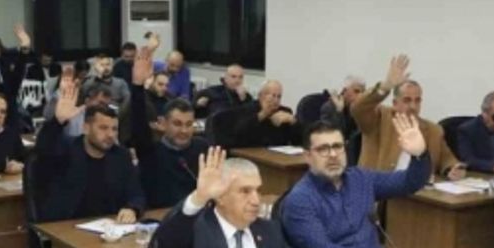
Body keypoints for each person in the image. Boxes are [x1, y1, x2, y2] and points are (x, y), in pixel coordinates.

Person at [154, 147, 341, 248]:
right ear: (220, 196)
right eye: (245, 191)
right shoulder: (197, 231)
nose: (256, 200)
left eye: (257, 190)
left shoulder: (268, 231)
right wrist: (199, 197)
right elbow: (166, 243)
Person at [281, 120, 430, 248]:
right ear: (308, 156)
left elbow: (409, 182)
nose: (333, 155)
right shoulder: (300, 199)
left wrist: (420, 155)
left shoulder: (361, 178)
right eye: (323, 149)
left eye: (337, 146)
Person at [33, 78, 145, 224]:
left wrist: (132, 208)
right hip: (67, 227)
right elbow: (44, 149)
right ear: (86, 128)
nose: (110, 135)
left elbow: (136, 194)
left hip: (109, 228)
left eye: (114, 129)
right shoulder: (66, 150)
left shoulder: (121, 156)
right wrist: (57, 122)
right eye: (103, 128)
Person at [352, 54, 465, 181]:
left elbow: (447, 159)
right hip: (377, 188)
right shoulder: (379, 118)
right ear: (395, 103)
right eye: (407, 100)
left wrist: (453, 168)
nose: (413, 106)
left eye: (417, 100)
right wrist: (385, 86)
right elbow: (358, 108)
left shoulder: (434, 130)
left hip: (417, 190)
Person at [128, 47, 208, 208]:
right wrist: (137, 85)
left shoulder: (202, 148)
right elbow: (138, 121)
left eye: (189, 124)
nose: (184, 131)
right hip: (160, 216)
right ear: (163, 123)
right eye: (177, 124)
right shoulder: (150, 150)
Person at [216, 80, 301, 148]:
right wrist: (263, 114)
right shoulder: (248, 109)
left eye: (279, 97)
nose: (276, 100)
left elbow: (298, 141)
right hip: (251, 154)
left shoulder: (284, 111)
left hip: (278, 157)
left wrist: (293, 121)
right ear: (261, 96)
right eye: (273, 96)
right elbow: (238, 134)